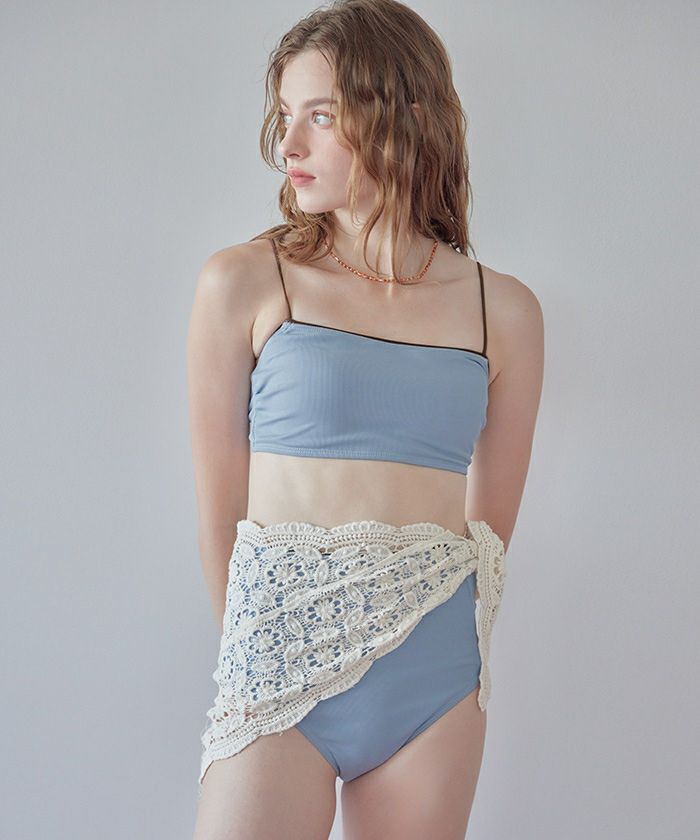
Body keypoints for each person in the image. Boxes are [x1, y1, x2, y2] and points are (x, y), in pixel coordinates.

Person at [188, 2, 544, 838]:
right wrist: (259, 653)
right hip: (279, 657)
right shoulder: (246, 281)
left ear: (405, 115)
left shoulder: (503, 311)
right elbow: (219, 510)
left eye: (320, 115)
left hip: (432, 677)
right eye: (285, 115)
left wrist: (455, 649)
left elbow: (489, 538)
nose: (289, 145)